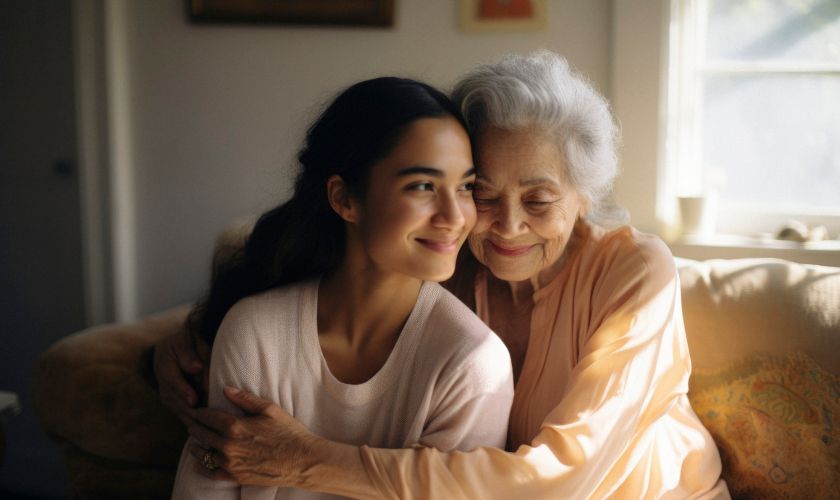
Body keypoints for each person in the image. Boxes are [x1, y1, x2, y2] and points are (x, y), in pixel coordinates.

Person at [157, 51, 729, 498]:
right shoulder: (446, 259)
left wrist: (307, 459)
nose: (505, 227)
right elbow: (312, 281)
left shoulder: (634, 272)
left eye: (538, 200)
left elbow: (561, 483)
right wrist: (178, 348)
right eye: (481, 192)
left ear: (584, 197)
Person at [169, 77, 515, 498]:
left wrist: (301, 461)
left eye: (465, 187)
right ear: (344, 199)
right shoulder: (255, 332)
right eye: (423, 186)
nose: (454, 216)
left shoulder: (473, 363)